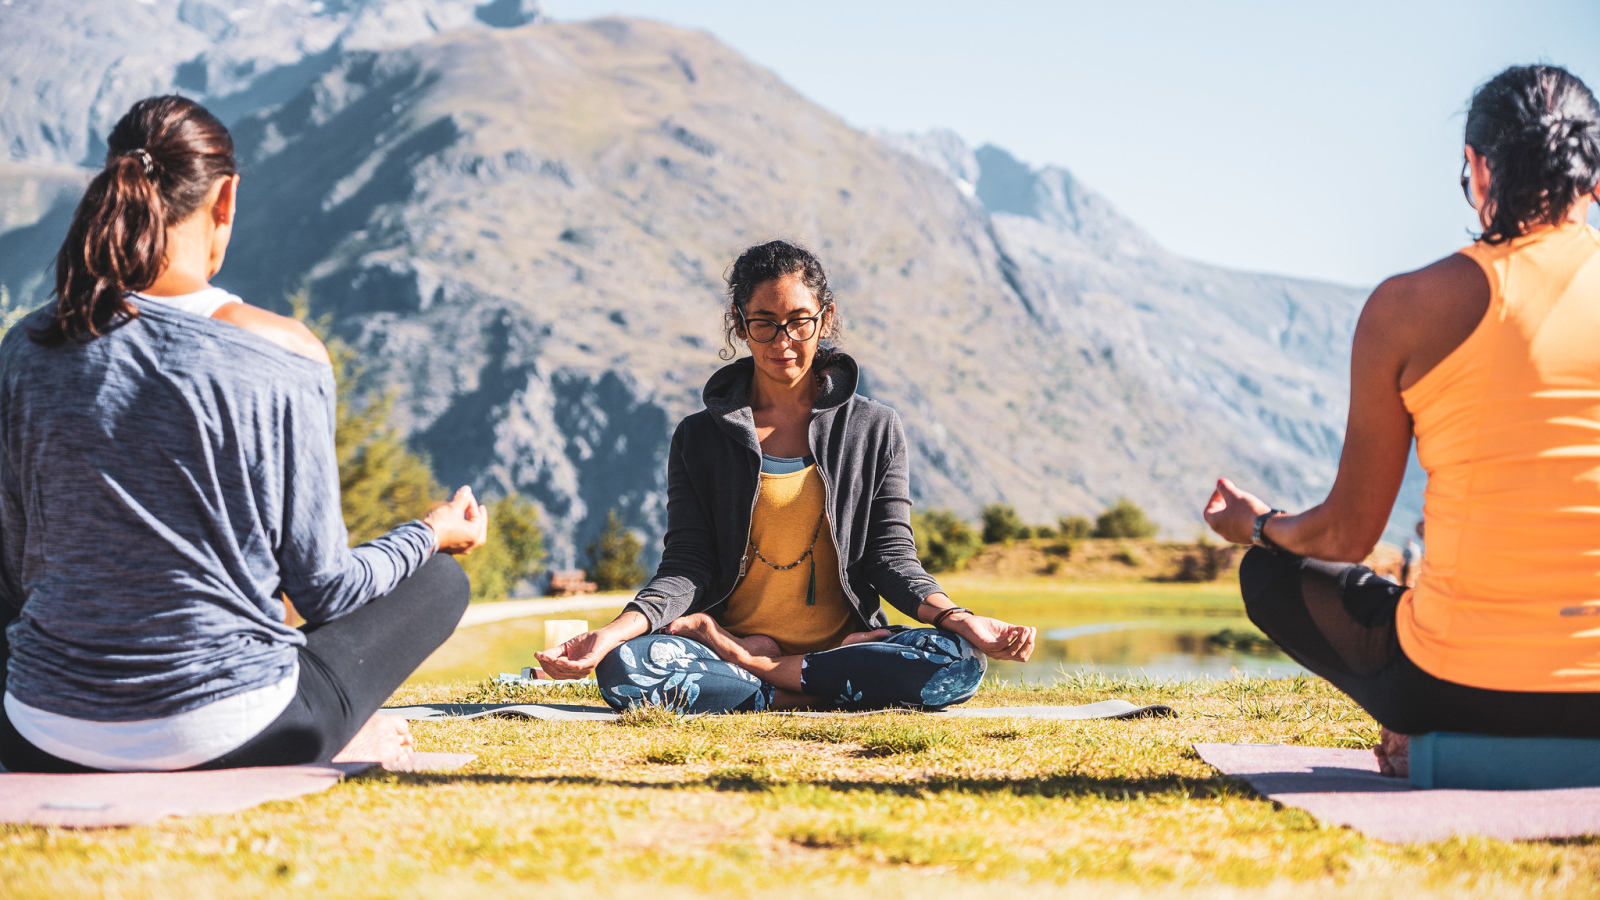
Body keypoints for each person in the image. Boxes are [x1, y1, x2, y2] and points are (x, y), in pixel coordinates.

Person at [0, 96, 489, 774]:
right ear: (225, 198)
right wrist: (432, 533)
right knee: (438, 583)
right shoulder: (281, 351)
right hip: (233, 732)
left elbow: (15, 569)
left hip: (39, 732)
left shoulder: (27, 346)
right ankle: (343, 732)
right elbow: (326, 591)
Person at [1202, 65, 1600, 775]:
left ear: (1479, 170)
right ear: (1593, 177)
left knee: (1271, 575)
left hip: (1455, 688)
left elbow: (1347, 535)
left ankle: (1429, 736)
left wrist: (1258, 526)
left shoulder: (1408, 307)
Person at [536, 240, 1036, 712]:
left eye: (799, 322)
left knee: (958, 660)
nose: (783, 342)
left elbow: (892, 556)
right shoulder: (699, 438)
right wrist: (614, 632)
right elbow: (687, 565)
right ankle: (825, 691)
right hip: (727, 643)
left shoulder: (874, 427)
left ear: (827, 319)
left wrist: (961, 619)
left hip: (837, 647)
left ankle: (765, 674)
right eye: (764, 323)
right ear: (739, 324)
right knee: (625, 668)